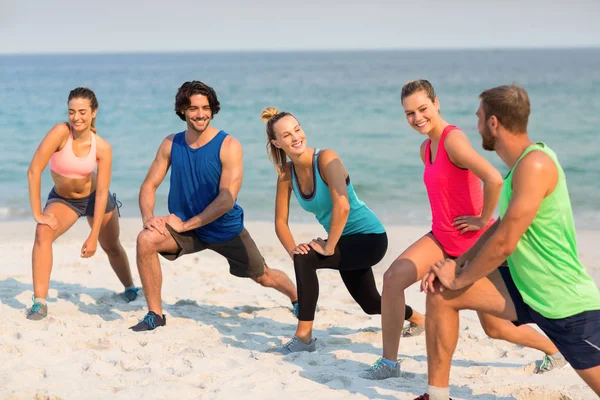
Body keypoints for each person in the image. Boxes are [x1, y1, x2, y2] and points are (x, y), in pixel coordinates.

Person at [362, 80, 563, 380]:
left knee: (495, 329)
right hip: (441, 237)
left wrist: (483, 220)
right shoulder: (425, 148)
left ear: (436, 103)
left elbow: (494, 178)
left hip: (474, 244)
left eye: (422, 109)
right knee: (392, 279)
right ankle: (389, 363)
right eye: (409, 113)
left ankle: (554, 350)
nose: (417, 118)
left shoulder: (452, 140)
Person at [416, 84, 600, 400]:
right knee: (442, 293)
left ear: (493, 123)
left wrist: (460, 277)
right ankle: (437, 395)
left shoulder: (536, 164)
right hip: (524, 287)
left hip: (563, 302)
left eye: (479, 118)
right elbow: (499, 227)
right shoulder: (520, 168)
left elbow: (504, 244)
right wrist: (457, 264)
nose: (475, 126)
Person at [131, 81, 298, 331]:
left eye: (206, 108)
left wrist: (185, 223)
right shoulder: (170, 143)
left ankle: (297, 298)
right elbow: (148, 186)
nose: (200, 114)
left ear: (213, 109)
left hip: (224, 228)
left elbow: (226, 200)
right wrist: (149, 218)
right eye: (193, 108)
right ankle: (155, 314)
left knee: (264, 275)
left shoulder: (228, 145)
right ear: (183, 111)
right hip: (186, 229)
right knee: (146, 240)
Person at [261, 107, 421, 354]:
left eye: (297, 129)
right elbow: (280, 222)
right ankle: (419, 319)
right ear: (277, 143)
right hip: (342, 241)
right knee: (369, 303)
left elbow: (342, 206)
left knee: (307, 259)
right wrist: (293, 250)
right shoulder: (286, 174)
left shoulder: (325, 158)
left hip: (370, 239)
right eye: (286, 135)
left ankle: (304, 337)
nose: (295, 137)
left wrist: (328, 246)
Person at [26, 87, 138, 320]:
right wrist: (37, 212)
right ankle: (40, 302)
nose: (76, 117)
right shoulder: (59, 133)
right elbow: (34, 170)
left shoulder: (103, 147)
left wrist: (93, 235)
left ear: (94, 112)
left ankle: (129, 288)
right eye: (71, 112)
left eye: (83, 112)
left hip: (96, 198)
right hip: (64, 200)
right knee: (43, 232)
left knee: (112, 246)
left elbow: (102, 193)